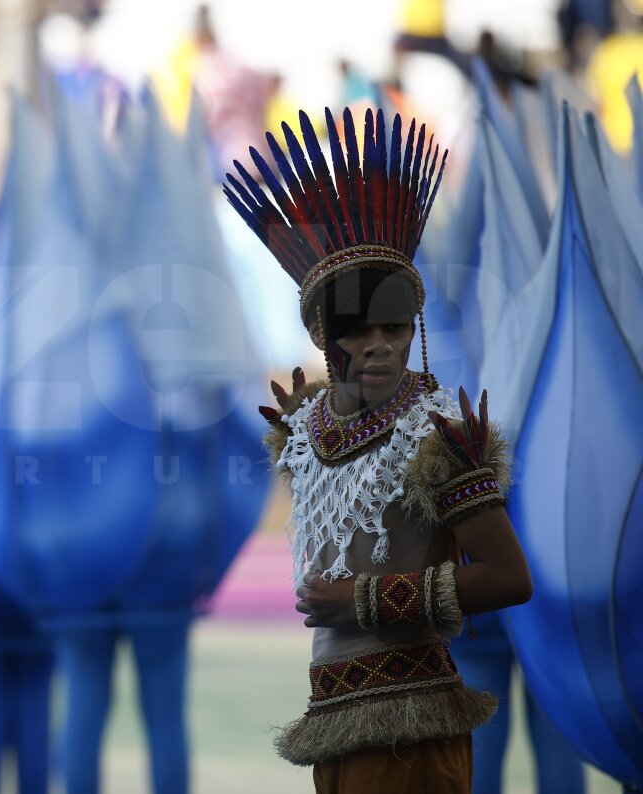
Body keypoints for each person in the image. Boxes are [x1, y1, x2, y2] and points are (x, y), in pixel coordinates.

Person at [223, 107, 532, 793]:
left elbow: (510, 577)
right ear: (327, 340)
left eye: (394, 327)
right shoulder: (304, 432)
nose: (380, 345)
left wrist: (361, 600)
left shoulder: (438, 436)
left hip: (415, 735)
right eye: (360, 333)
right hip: (333, 721)